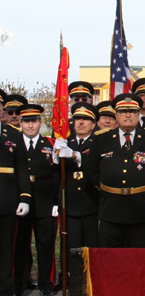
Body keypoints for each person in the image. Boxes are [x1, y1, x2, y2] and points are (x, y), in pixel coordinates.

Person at [84, 94, 145, 248]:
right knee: (111, 257)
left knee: (137, 257)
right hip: (110, 208)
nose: (128, 115)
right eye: (123, 111)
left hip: (139, 210)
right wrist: (103, 187)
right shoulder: (102, 138)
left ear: (138, 115)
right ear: (116, 115)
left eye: (132, 111)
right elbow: (90, 168)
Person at [13, 104, 58, 296]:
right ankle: (21, 282)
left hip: (45, 200)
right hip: (21, 201)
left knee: (46, 244)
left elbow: (57, 175)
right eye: (26, 122)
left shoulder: (51, 144)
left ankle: (46, 283)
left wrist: (57, 201)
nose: (30, 126)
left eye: (34, 121)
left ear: (40, 122)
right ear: (21, 123)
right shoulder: (13, 144)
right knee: (21, 244)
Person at [53, 103, 100, 253]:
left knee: (91, 246)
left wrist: (74, 155)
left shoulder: (99, 143)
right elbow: (55, 173)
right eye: (77, 119)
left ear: (93, 125)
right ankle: (68, 274)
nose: (80, 122)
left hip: (92, 202)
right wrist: (55, 157)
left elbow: (95, 161)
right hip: (69, 203)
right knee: (69, 245)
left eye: (85, 119)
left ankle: (90, 276)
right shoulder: (65, 143)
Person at [0, 89, 31, 296]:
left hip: (6, 200)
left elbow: (22, 169)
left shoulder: (13, 135)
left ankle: (4, 295)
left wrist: (25, 197)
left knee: (5, 251)